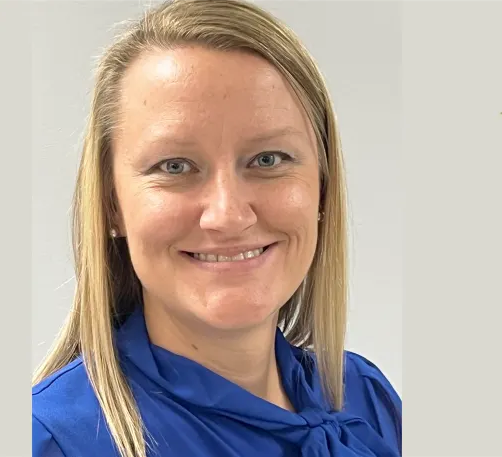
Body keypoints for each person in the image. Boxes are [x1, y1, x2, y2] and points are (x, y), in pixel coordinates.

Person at [32, 0, 402, 456]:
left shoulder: (369, 399)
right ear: (111, 205)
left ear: (322, 188)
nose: (228, 215)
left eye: (269, 159)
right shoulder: (49, 440)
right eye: (175, 165)